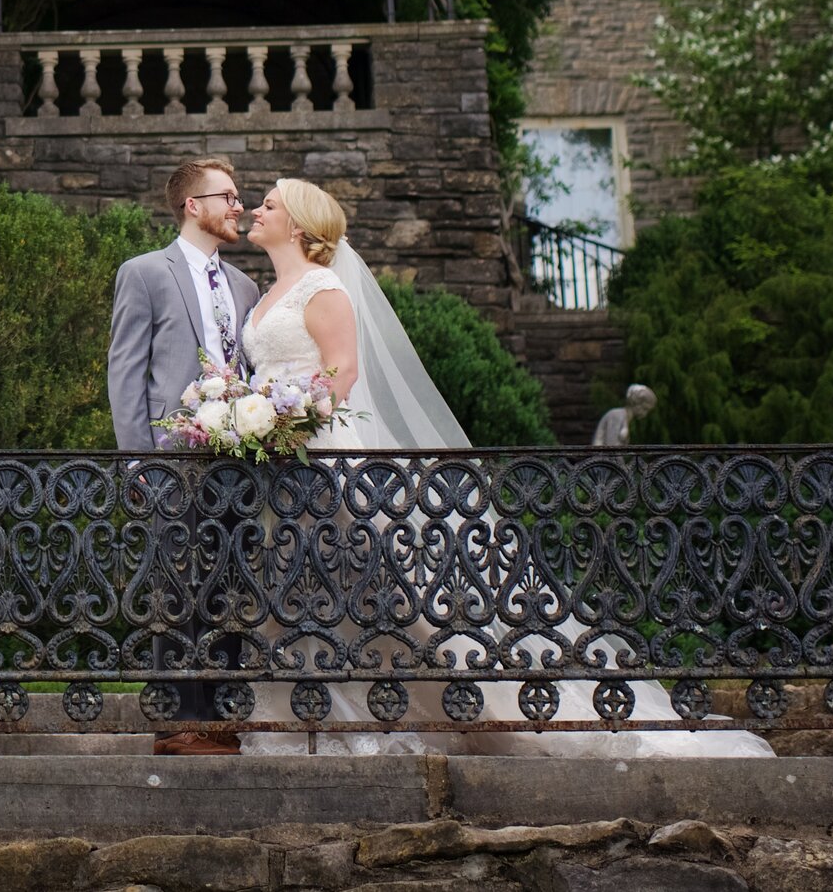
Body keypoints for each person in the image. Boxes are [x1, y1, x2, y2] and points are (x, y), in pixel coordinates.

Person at [230, 178, 771, 759]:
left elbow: (342, 372)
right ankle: (310, 716)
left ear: (299, 225)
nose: (255, 212)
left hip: (330, 451)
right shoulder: (265, 294)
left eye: (268, 206)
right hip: (279, 465)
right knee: (299, 584)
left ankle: (485, 703)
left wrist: (292, 421)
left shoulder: (323, 288)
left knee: (395, 587)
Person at [107, 156, 261, 755]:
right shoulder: (145, 273)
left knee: (226, 590)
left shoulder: (245, 287)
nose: (238, 206)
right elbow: (126, 372)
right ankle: (176, 724)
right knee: (174, 590)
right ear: (193, 206)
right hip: (171, 464)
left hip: (237, 466)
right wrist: (138, 462)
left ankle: (220, 721)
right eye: (228, 196)